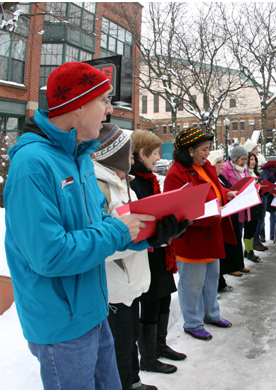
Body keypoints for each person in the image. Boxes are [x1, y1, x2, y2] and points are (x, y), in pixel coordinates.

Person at [3, 62, 156, 390]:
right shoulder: (32, 166)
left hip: (94, 311)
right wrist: (118, 230)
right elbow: (50, 254)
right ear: (78, 105)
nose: (109, 109)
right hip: (61, 324)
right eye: (103, 100)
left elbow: (98, 224)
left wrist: (149, 232)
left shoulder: (81, 157)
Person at [93, 124, 176, 389]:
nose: (133, 160)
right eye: (128, 155)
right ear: (113, 154)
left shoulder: (122, 184)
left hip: (130, 281)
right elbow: (100, 244)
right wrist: (149, 238)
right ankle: (124, 384)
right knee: (118, 345)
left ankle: (133, 381)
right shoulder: (98, 187)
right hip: (113, 285)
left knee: (129, 340)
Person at [164, 127, 236, 341]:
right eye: (204, 149)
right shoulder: (175, 174)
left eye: (208, 149)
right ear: (189, 150)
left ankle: (211, 314)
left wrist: (227, 194)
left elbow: (215, 189)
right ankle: (193, 322)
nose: (207, 153)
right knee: (192, 284)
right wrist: (212, 211)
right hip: (192, 237)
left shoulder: (204, 167)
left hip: (211, 233)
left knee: (212, 279)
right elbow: (177, 210)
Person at [129, 130, 188, 376]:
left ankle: (160, 345)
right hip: (148, 253)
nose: (157, 158)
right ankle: (149, 357)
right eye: (154, 154)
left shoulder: (151, 179)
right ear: (141, 154)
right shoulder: (134, 182)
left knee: (164, 297)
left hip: (161, 251)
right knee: (152, 302)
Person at [207, 148, 249, 288]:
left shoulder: (219, 177)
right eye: (218, 162)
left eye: (222, 161)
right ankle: (222, 278)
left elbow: (225, 189)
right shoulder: (217, 175)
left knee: (237, 238)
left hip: (231, 211)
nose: (222, 164)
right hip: (219, 217)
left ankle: (236, 265)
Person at [221, 143, 260, 263]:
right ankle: (234, 262)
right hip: (233, 206)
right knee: (234, 235)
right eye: (242, 159)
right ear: (234, 158)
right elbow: (224, 187)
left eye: (245, 159)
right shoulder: (225, 169)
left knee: (243, 232)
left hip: (245, 206)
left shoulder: (245, 169)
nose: (244, 162)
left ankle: (241, 259)